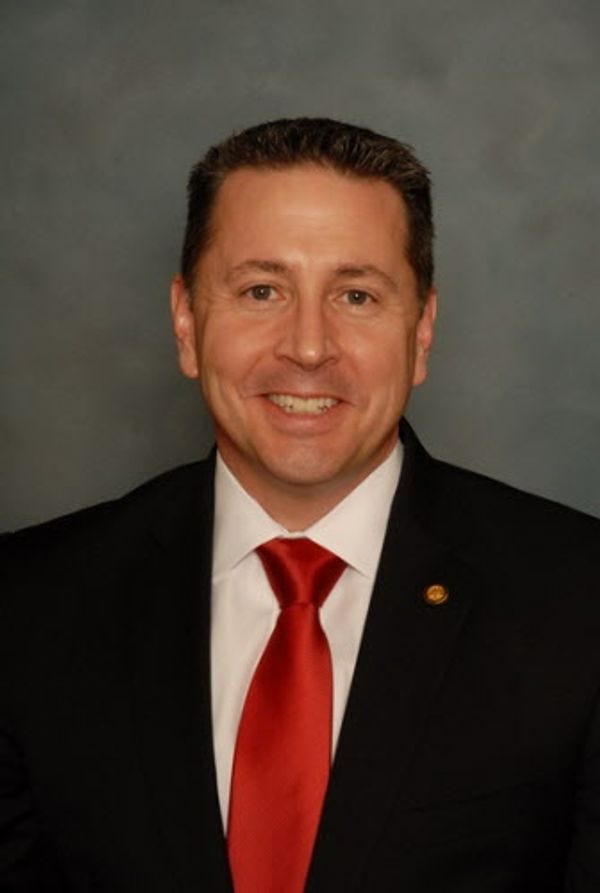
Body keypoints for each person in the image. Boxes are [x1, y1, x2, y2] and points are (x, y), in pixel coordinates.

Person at [1, 117, 599, 893]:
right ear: (185, 323)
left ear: (421, 331)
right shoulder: (27, 607)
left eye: (356, 294)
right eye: (262, 290)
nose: (309, 347)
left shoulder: (579, 602)